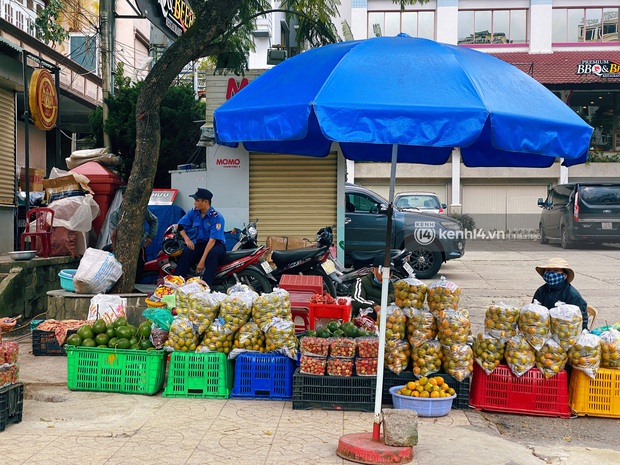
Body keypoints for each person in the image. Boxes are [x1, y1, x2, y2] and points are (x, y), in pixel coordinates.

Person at [175, 188, 226, 285]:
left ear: (206, 202)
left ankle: (205, 286)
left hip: (215, 245)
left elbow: (212, 241)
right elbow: (180, 226)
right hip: (201, 243)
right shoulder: (193, 212)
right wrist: (187, 239)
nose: (194, 203)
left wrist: (202, 261)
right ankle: (177, 283)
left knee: (212, 254)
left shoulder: (216, 217)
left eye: (197, 200)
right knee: (186, 254)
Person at [106, 204, 158, 283]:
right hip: (121, 247)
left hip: (138, 246)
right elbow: (113, 234)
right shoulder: (115, 214)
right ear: (123, 196)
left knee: (138, 272)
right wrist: (115, 245)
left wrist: (150, 237)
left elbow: (154, 220)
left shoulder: (141, 210)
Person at [533, 257, 588, 330]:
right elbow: (533, 312)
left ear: (565, 275)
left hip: (565, 331)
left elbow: (581, 319)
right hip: (543, 329)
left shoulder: (572, 294)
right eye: (548, 270)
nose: (551, 274)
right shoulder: (541, 291)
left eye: (556, 270)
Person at [351, 254, 395, 320]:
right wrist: (374, 306)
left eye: (390, 273)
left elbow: (394, 299)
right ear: (373, 270)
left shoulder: (391, 286)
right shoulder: (361, 281)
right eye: (383, 272)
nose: (387, 276)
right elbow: (356, 299)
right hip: (364, 320)